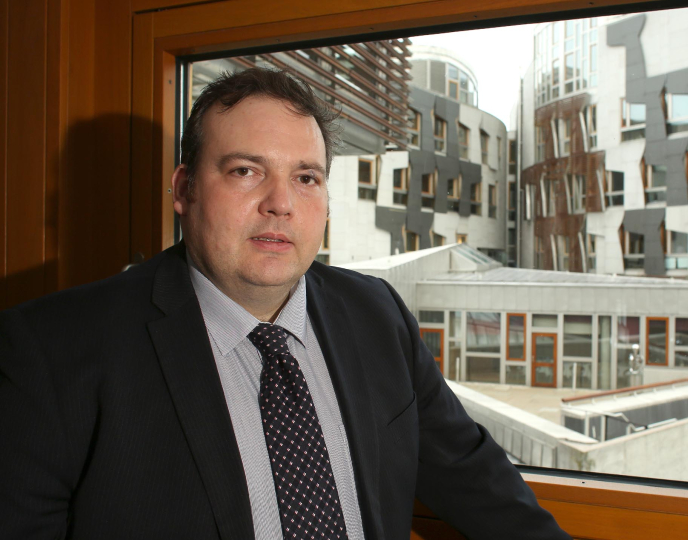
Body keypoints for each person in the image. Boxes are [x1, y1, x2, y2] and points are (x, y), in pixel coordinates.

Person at [0, 67, 571, 540]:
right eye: (246, 171)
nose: (280, 204)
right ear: (184, 189)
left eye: (305, 177)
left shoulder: (378, 315)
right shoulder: (49, 353)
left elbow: (479, 483)